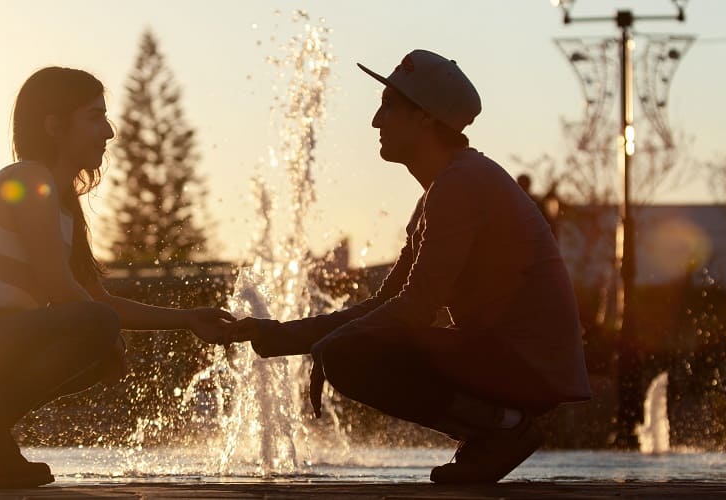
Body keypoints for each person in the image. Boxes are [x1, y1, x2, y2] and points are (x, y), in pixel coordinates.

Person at [229, 49, 591, 484]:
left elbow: (415, 309)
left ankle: (503, 428)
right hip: (508, 359)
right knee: (351, 346)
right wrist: (276, 335)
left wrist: (334, 345)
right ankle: (496, 428)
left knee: (352, 354)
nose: (376, 121)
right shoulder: (442, 192)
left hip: (527, 367)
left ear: (425, 119)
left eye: (388, 107)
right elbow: (387, 305)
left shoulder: (461, 185)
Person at [0, 67, 235, 488]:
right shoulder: (26, 180)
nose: (108, 132)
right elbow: (63, 290)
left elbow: (96, 299)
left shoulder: (62, 206)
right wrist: (102, 331)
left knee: (96, 332)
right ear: (54, 126)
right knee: (96, 329)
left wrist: (187, 318)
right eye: (95, 117)